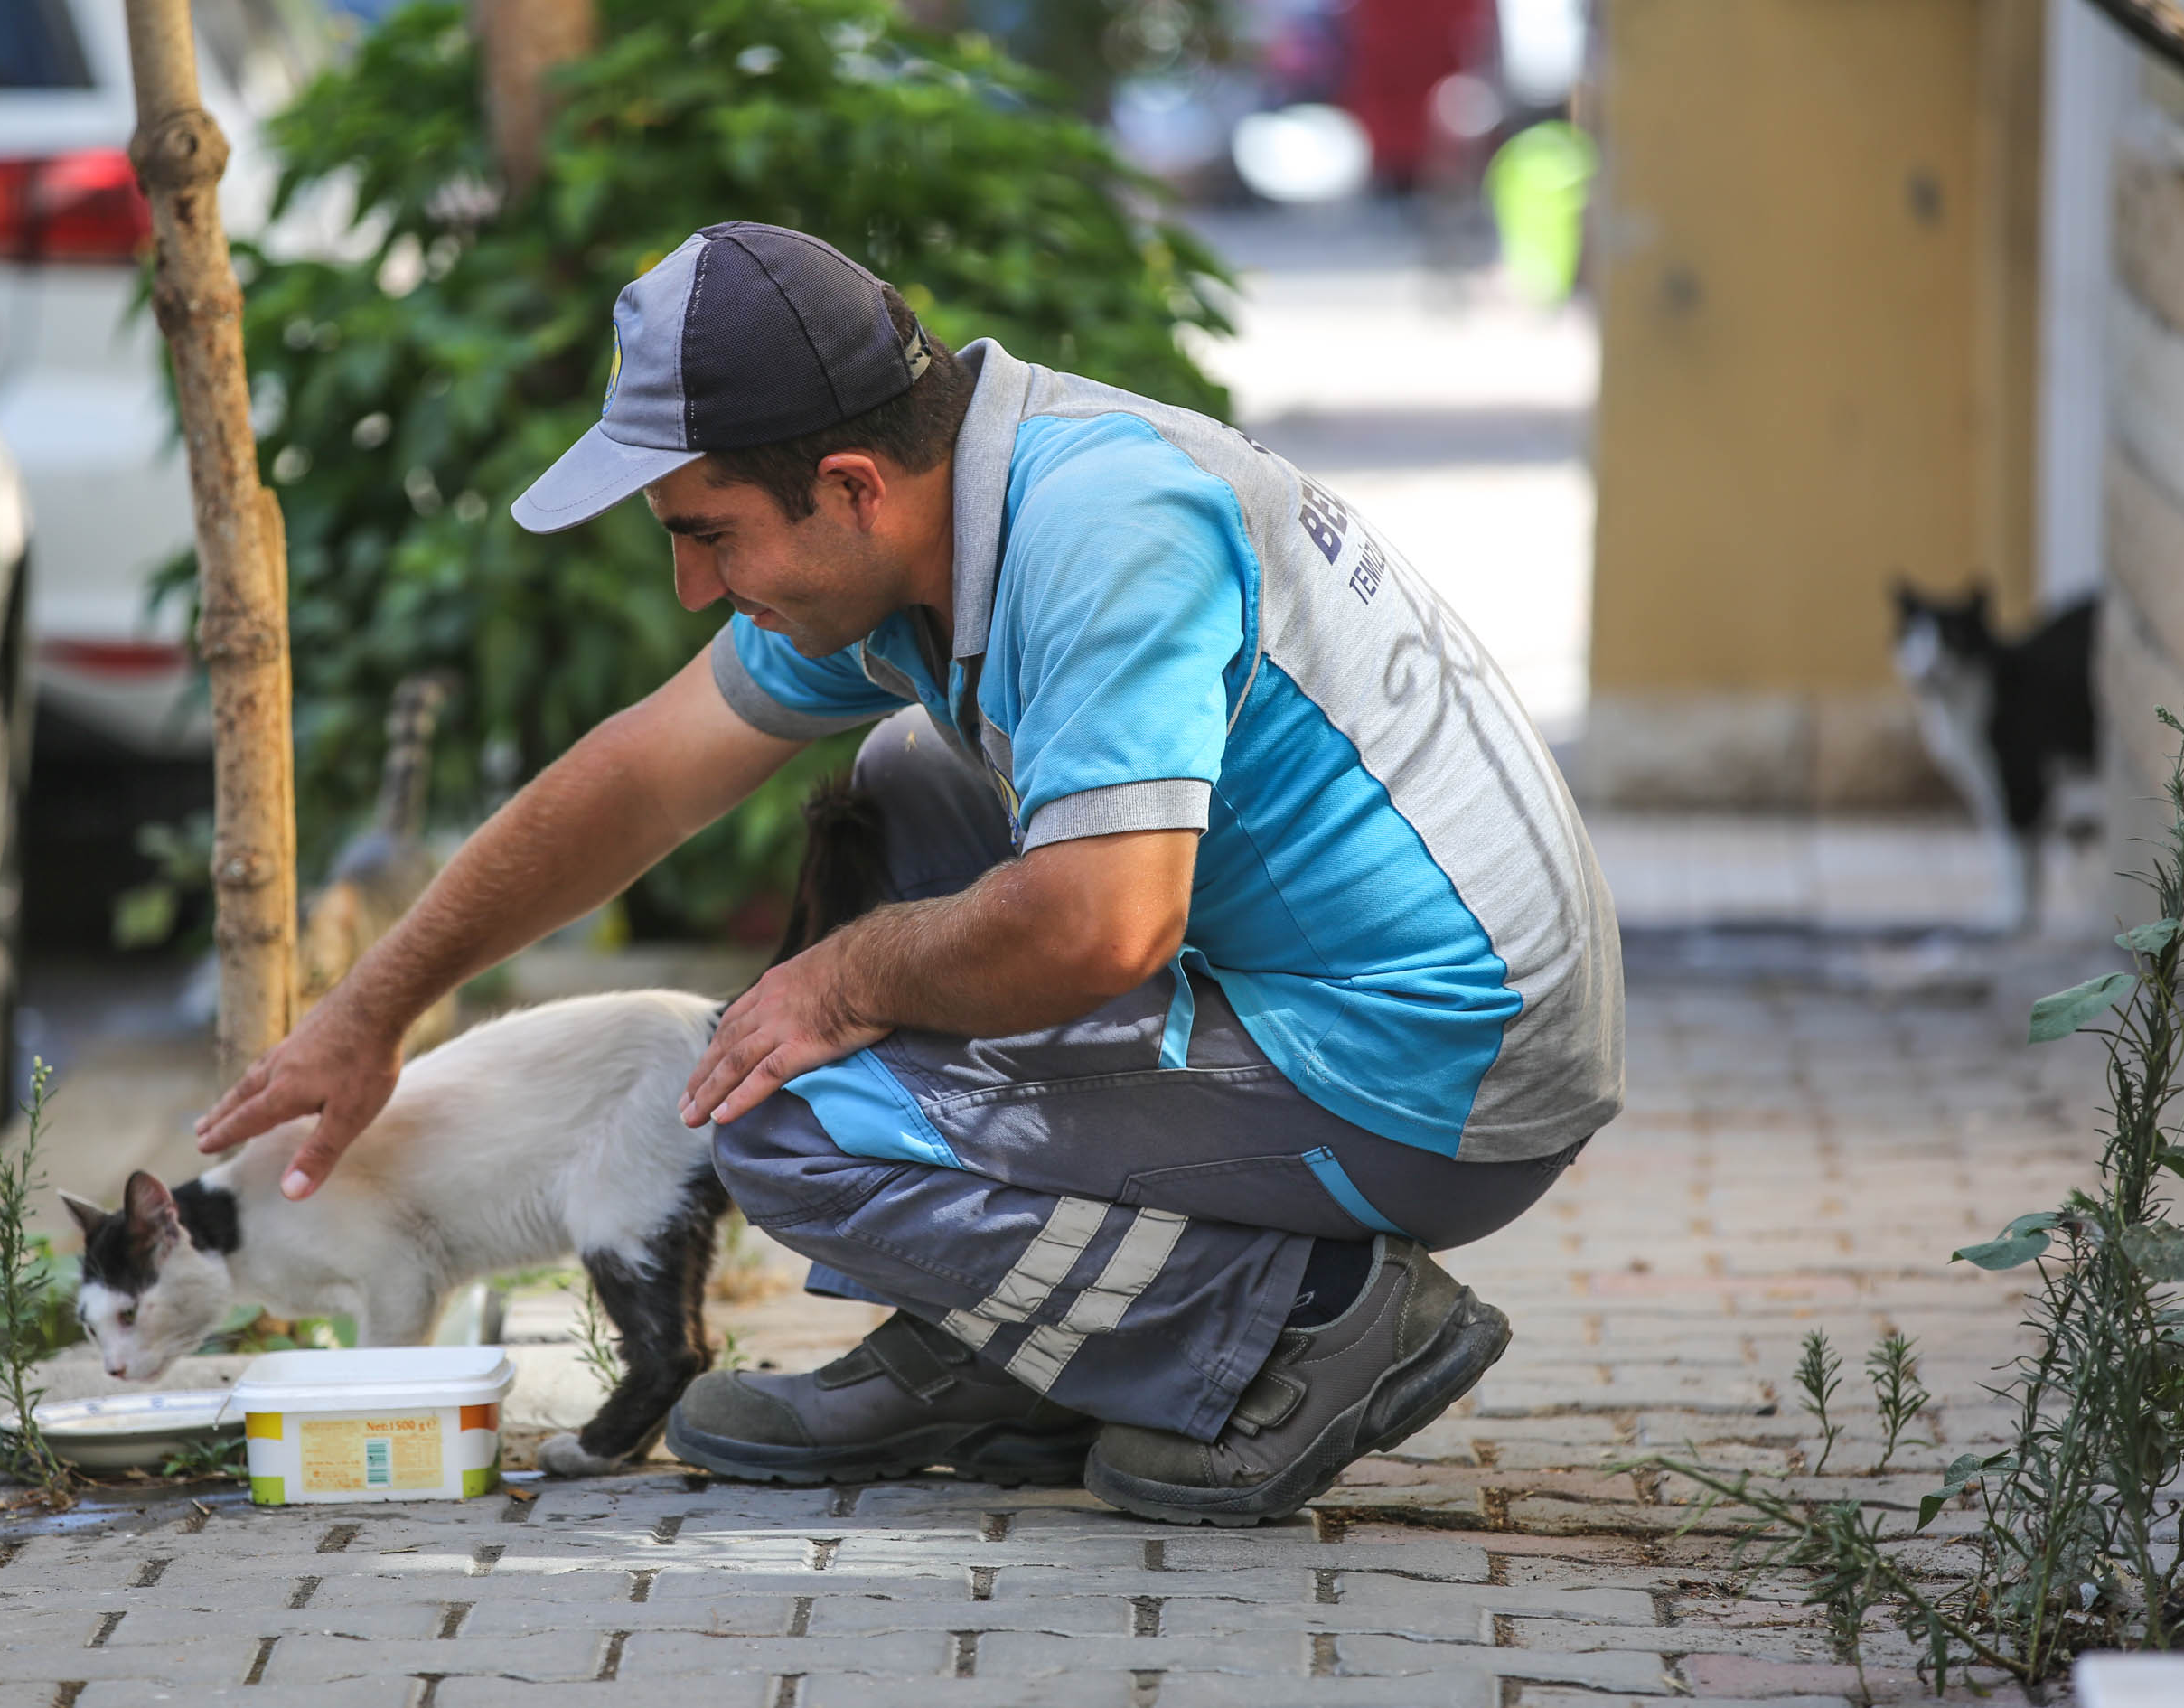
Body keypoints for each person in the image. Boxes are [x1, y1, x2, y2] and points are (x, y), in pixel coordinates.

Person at [194, 222, 1624, 1525]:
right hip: (1373, 991)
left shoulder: (1103, 531)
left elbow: (1108, 919)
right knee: (901, 788)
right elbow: (638, 774)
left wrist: (844, 976)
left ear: (849, 487)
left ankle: (1296, 1324)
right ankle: (1025, 1335)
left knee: (781, 1117)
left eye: (707, 535)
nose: (695, 586)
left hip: (1449, 1069)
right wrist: (374, 1012)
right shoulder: (931, 526)